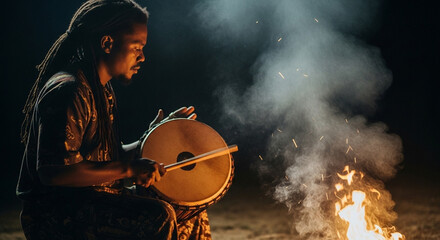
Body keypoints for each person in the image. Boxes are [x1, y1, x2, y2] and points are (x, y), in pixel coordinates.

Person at [17, 0, 211, 239]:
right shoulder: (69, 90)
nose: (142, 57)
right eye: (137, 47)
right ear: (107, 43)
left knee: (189, 210)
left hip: (92, 202)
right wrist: (128, 169)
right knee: (158, 215)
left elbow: (105, 159)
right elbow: (55, 172)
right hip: (55, 214)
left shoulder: (100, 89)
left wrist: (152, 137)